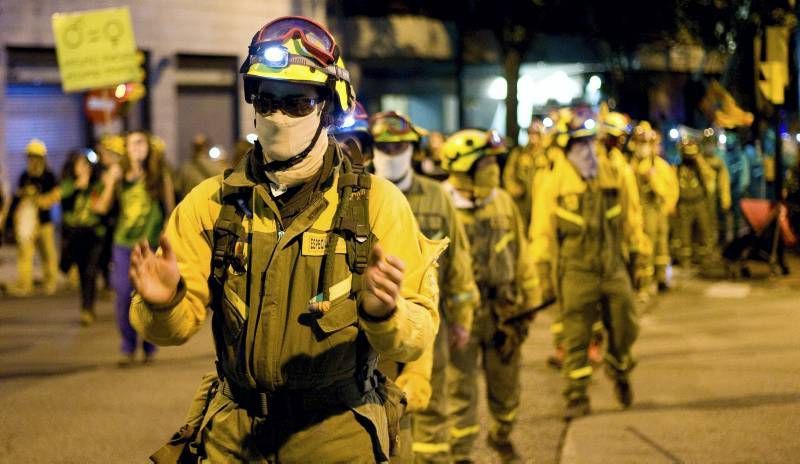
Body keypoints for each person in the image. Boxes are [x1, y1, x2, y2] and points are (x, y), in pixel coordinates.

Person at [134, 16, 442, 463]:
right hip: (233, 434)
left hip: (336, 434)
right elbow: (173, 329)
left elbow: (416, 337)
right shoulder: (211, 203)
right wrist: (164, 302)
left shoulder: (378, 205)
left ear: (327, 108)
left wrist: (385, 312)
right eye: (266, 100)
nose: (278, 116)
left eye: (297, 102)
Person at [368, 111, 479, 464]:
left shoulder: (436, 195)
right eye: (385, 146)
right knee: (376, 407)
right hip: (375, 325)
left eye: (400, 145)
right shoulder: (362, 195)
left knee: (431, 405)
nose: (392, 152)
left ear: (412, 148)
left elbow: (458, 262)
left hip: (429, 321)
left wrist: (462, 318)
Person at [531, 109, 648, 419]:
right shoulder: (552, 182)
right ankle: (576, 395)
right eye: (576, 144)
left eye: (588, 142)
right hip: (575, 270)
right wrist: (542, 274)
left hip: (612, 266)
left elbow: (633, 218)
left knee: (626, 324)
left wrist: (640, 260)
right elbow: (541, 231)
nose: (585, 150)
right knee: (576, 335)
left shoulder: (615, 173)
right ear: (565, 148)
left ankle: (620, 369)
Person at [441, 129, 540, 463]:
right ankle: (461, 452)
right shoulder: (442, 203)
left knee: (506, 380)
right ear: (465, 168)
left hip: (503, 310)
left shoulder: (501, 201)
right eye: (487, 163)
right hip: (459, 312)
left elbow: (521, 251)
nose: (495, 169)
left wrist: (530, 296)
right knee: (460, 387)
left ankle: (502, 433)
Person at [95, 130, 175, 366]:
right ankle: (128, 347)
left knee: (150, 297)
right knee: (122, 295)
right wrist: (110, 181)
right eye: (133, 143)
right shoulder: (117, 174)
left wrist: (166, 237)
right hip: (123, 243)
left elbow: (170, 210)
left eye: (142, 143)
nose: (138, 147)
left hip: (149, 245)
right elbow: (100, 207)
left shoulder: (160, 174)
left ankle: (149, 346)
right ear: (126, 149)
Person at [7, 139, 60, 296]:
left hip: (44, 222)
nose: (32, 160)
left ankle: (50, 283)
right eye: (30, 157)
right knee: (25, 254)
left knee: (48, 253)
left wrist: (44, 201)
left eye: (35, 157)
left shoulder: (49, 175)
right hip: (29, 223)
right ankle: (25, 284)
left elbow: (57, 193)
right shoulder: (24, 176)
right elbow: (17, 197)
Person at [630, 121, 679, 293]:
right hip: (641, 212)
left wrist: (668, 206)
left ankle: (661, 278)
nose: (643, 148)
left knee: (661, 246)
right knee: (645, 246)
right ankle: (644, 282)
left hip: (658, 211)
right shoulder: (631, 167)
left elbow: (670, 189)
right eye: (640, 144)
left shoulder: (660, 166)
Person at [59, 150, 106, 325]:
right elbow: (64, 204)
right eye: (79, 165)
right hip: (75, 233)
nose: (84, 169)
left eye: (86, 165)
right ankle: (85, 306)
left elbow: (103, 206)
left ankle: (88, 308)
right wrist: (78, 187)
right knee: (81, 272)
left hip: (93, 233)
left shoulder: (97, 185)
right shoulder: (68, 184)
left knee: (90, 271)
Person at [675, 132, 715, 266]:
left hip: (699, 202)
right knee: (684, 234)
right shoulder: (677, 168)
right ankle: (685, 260)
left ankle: (704, 259)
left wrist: (698, 159)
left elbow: (709, 176)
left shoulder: (700, 167)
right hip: (684, 204)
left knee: (704, 231)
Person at [503, 119, 549, 230]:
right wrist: (513, 189)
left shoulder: (547, 154)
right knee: (521, 228)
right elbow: (508, 174)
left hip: (541, 201)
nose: (533, 136)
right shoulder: (519, 153)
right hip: (522, 202)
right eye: (530, 133)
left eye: (536, 133)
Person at [701, 128, 732, 247]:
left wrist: (725, 200)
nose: (709, 146)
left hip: (714, 199)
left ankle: (713, 247)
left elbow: (724, 183)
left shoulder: (718, 163)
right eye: (707, 143)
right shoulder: (699, 161)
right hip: (701, 199)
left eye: (711, 143)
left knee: (715, 224)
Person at [175, 133, 228, 198]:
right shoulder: (216, 166)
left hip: (191, 204)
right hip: (210, 204)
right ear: (206, 146)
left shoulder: (185, 168)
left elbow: (177, 188)